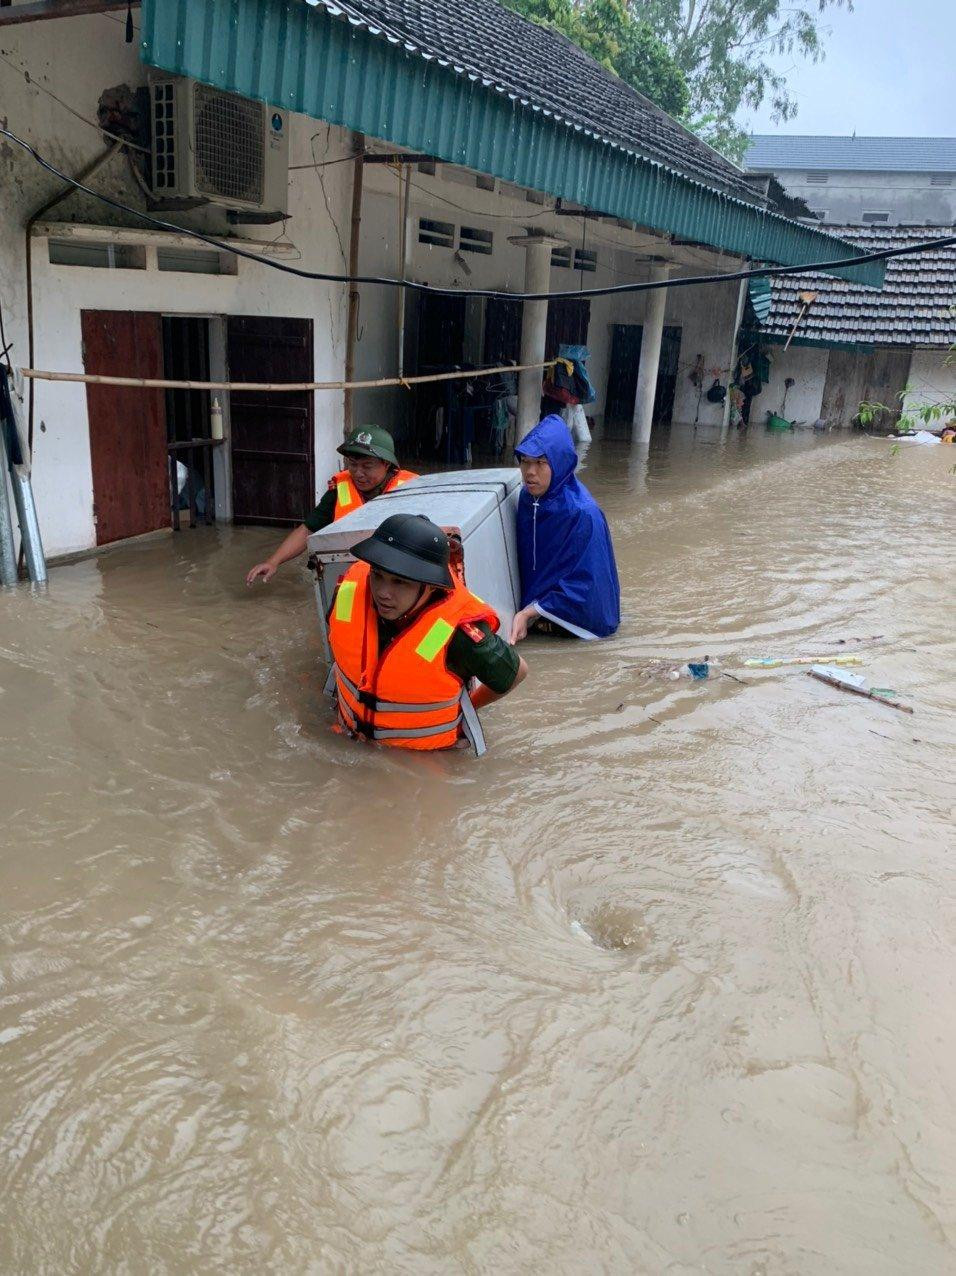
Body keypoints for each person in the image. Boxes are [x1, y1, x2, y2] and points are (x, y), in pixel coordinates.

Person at [327, 513, 527, 752]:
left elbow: (516, 673)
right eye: (378, 575)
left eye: (400, 582)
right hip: (347, 736)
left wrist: (469, 706)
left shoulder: (460, 635)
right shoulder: (352, 588)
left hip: (420, 760)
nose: (383, 592)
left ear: (431, 586)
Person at [245, 426, 418, 585]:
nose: (358, 473)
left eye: (367, 466)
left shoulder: (412, 490)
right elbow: (308, 530)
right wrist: (273, 561)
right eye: (352, 464)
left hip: (393, 575)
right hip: (352, 572)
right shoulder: (338, 492)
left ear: (386, 464)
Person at [509, 414, 620, 643]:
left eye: (540, 463)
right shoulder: (527, 499)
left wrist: (530, 611)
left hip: (574, 627)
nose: (530, 471)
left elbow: (588, 585)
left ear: (559, 464)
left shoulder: (582, 513)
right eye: (525, 461)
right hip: (537, 617)